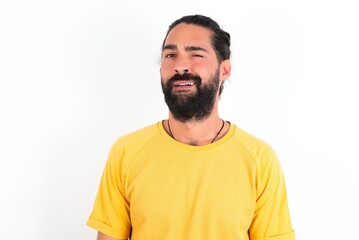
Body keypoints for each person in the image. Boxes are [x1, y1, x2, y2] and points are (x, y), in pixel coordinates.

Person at [87, 14, 295, 240]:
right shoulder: (126, 152)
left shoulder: (259, 159)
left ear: (224, 70)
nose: (180, 66)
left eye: (196, 54)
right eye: (170, 55)